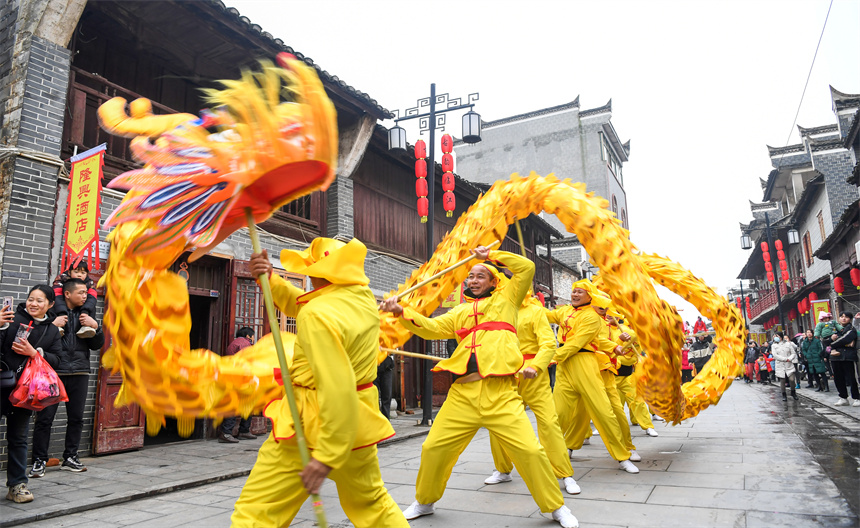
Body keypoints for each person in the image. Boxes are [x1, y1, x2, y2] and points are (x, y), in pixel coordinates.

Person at [380, 246, 578, 528]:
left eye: (479, 276)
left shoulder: (508, 300)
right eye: (470, 277)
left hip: (501, 394)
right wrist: (401, 311)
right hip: (462, 394)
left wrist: (492, 255)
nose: (472, 281)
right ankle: (424, 501)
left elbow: (526, 268)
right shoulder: (460, 311)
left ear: (494, 281)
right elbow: (431, 328)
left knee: (531, 452)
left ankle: (555, 507)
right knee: (433, 447)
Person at [232, 238, 407, 528]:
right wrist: (271, 279)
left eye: (311, 268)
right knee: (373, 505)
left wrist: (327, 454)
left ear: (321, 273)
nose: (309, 274)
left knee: (257, 512)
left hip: (313, 423)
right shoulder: (361, 298)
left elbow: (336, 386)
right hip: (359, 422)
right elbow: (306, 304)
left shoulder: (318, 313)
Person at [484, 290, 580, 496]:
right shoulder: (497, 312)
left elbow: (548, 344)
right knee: (497, 421)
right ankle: (502, 469)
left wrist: (536, 366)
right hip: (506, 373)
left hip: (533, 374)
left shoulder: (535, 312)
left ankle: (564, 473)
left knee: (549, 421)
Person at [545, 279, 640, 475]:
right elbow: (546, 314)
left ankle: (623, 455)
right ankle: (550, 455)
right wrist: (524, 299)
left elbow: (579, 342)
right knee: (558, 414)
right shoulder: (564, 312)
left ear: (590, 296)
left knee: (604, 412)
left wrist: (553, 357)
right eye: (574, 291)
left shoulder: (592, 317)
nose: (575, 294)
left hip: (585, 364)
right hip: (565, 367)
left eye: (580, 292)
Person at [30, 279, 104, 477]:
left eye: (86, 293)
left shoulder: (86, 314)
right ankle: (39, 459)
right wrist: (52, 326)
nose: (85, 296)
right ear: (68, 294)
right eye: (81, 292)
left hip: (79, 372)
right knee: (45, 418)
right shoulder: (52, 314)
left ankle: (70, 457)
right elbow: (36, 340)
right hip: (54, 373)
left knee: (76, 418)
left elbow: (96, 345)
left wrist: (96, 327)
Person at [0, 285, 62, 503]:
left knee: (18, 439)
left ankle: (17, 485)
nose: (33, 304)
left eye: (40, 300)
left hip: (26, 392)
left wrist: (35, 353)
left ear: (50, 304)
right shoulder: (10, 318)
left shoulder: (52, 330)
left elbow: (57, 360)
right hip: (1, 385)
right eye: (30, 299)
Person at [218, 327, 257, 443]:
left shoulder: (234, 343)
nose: (254, 338)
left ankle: (241, 431)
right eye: (253, 336)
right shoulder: (244, 344)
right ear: (248, 336)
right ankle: (227, 433)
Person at [52, 261, 98, 338]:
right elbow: (57, 297)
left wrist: (93, 324)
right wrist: (62, 313)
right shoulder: (61, 280)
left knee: (91, 305)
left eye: (83, 273)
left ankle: (87, 327)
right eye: (76, 272)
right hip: (61, 311)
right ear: (69, 272)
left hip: (83, 313)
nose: (79, 275)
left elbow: (92, 298)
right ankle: (59, 327)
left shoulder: (89, 283)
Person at [828, 311, 858, 407]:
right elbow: (824, 340)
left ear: (850, 319)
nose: (843, 318)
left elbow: (846, 339)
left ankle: (856, 397)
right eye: (841, 316)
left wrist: (832, 343)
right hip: (835, 357)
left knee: (852, 378)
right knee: (838, 378)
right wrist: (830, 339)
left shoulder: (852, 329)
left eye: (846, 317)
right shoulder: (834, 329)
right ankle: (843, 397)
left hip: (848, 356)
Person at [770, 331, 798, 402]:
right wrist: (785, 359)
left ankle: (793, 392)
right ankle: (784, 394)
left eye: (778, 336)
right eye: (775, 336)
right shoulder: (774, 345)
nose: (776, 338)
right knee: (782, 380)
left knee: (792, 379)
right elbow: (775, 355)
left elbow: (793, 353)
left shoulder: (788, 344)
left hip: (789, 364)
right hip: (780, 365)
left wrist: (789, 358)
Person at [374, 352, 395, 421]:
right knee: (374, 396)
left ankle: (386, 420)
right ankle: (376, 419)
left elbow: (393, 351)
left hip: (387, 368)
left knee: (387, 395)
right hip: (373, 367)